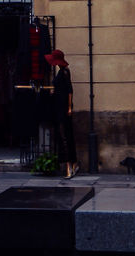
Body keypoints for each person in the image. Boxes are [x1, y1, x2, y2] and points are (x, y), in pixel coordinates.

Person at [45, 49, 80, 179]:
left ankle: (69, 166)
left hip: (63, 108)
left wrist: (69, 107)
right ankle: (73, 163)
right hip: (60, 107)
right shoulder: (62, 72)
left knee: (64, 136)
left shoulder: (64, 72)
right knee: (66, 136)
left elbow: (70, 90)